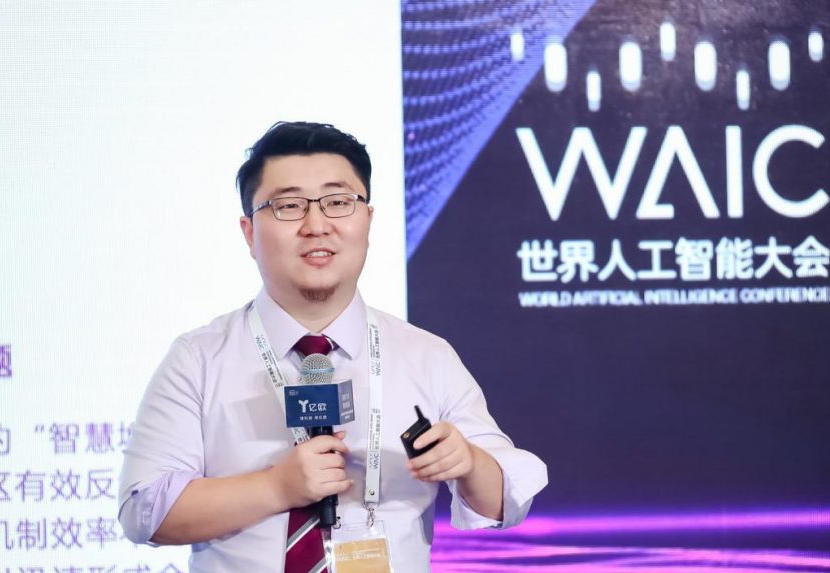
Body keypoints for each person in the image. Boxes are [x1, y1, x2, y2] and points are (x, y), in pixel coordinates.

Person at [118, 121, 548, 572]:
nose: (317, 225)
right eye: (288, 206)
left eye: (338, 202)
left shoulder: (426, 356)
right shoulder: (199, 358)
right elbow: (144, 511)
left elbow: (506, 502)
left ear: (368, 220)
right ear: (249, 233)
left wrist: (469, 462)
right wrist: (277, 487)